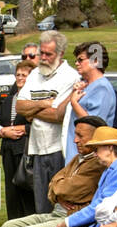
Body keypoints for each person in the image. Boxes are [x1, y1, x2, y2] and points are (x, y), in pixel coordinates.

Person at [0, 116, 106, 227]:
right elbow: (53, 184)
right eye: (75, 134)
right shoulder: (78, 159)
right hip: (55, 212)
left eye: (80, 136)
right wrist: (57, 192)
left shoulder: (97, 164)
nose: (75, 140)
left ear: (95, 139)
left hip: (71, 216)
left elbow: (68, 189)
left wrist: (57, 189)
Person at [15, 31, 80, 211]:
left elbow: (58, 115)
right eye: (41, 53)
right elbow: (19, 107)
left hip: (59, 149)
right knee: (41, 205)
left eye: (48, 54)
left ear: (60, 54)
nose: (43, 58)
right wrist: (44, 103)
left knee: (59, 204)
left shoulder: (70, 76)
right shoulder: (35, 73)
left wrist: (32, 110)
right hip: (37, 149)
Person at [56, 42, 117, 164]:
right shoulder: (85, 86)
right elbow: (58, 113)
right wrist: (73, 93)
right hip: (74, 154)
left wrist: (74, 103)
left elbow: (94, 125)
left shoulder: (102, 87)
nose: (76, 64)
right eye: (76, 60)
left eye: (80, 60)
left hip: (90, 158)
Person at [0, 59, 36, 220]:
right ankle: (12, 220)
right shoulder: (9, 100)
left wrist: (22, 129)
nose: (20, 78)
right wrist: (3, 131)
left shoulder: (34, 99)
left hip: (25, 149)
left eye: (24, 75)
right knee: (10, 188)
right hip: (8, 150)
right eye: (17, 75)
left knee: (24, 185)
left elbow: (37, 125)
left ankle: (28, 220)